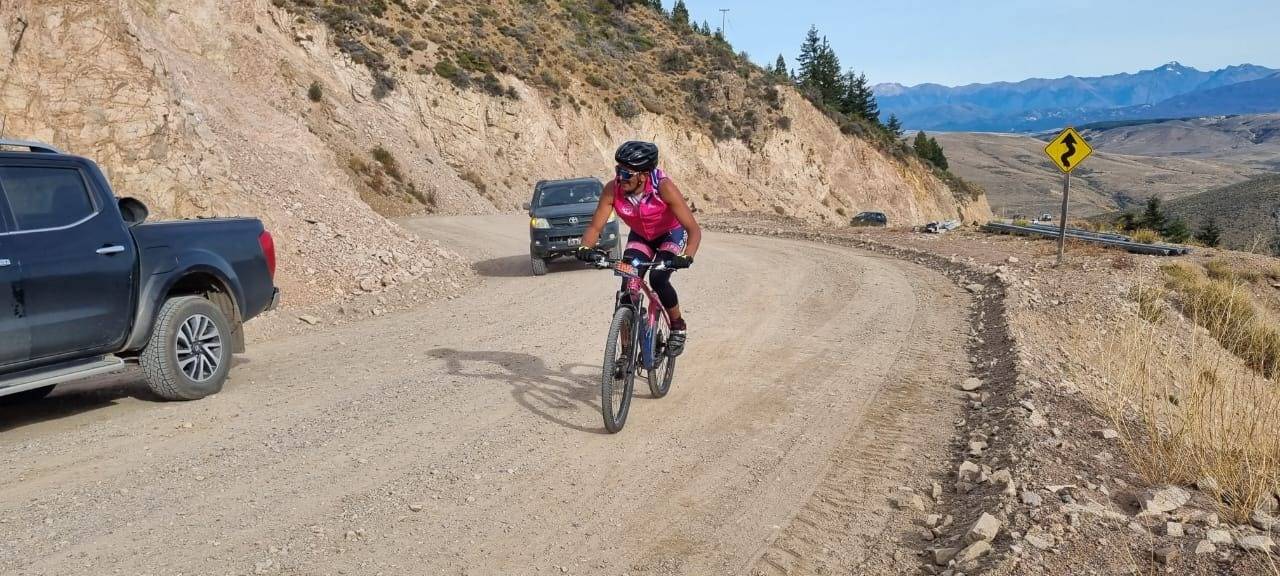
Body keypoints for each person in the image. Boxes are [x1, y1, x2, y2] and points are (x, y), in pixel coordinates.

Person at [577, 141, 701, 356]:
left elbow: (693, 230)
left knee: (658, 278)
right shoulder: (613, 189)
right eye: (618, 170)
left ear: (643, 176)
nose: (620, 178)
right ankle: (626, 353)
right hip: (641, 236)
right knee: (627, 288)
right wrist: (585, 248)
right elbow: (595, 226)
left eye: (626, 173)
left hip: (670, 234)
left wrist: (686, 256)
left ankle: (678, 326)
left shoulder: (664, 188)